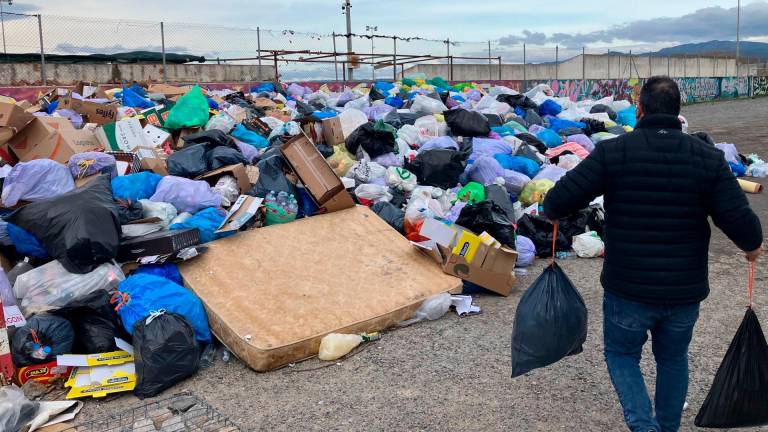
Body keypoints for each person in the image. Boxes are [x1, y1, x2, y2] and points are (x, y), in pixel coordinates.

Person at [543, 76, 763, 432]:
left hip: (627, 288)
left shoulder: (616, 152)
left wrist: (550, 212)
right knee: (673, 357)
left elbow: (559, 200)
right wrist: (752, 247)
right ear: (679, 112)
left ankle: (645, 426)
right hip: (684, 290)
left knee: (621, 353)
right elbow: (742, 224)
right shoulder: (706, 158)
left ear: (640, 109)